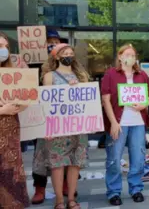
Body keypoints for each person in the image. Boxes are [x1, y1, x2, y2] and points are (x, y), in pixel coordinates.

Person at [37, 43, 89, 209]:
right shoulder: (49, 76)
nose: (69, 55)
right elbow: (45, 103)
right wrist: (46, 127)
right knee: (57, 164)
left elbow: (88, 100)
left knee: (75, 163)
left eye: (71, 53)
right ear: (56, 56)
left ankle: (72, 199)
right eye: (64, 53)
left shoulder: (81, 76)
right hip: (57, 127)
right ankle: (59, 200)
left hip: (77, 126)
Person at [101, 45, 149, 206]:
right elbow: (106, 100)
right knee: (114, 159)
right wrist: (114, 123)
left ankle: (136, 188)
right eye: (127, 54)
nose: (131, 57)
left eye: (133, 54)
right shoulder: (111, 74)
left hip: (138, 123)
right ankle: (114, 192)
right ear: (120, 56)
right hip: (119, 122)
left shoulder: (142, 75)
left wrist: (144, 104)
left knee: (138, 158)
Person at [31, 29, 72, 205]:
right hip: (41, 116)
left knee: (64, 153)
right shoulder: (34, 65)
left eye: (55, 41)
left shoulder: (69, 69)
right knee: (41, 153)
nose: (52, 44)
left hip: (64, 118)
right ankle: (39, 188)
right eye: (49, 41)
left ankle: (64, 186)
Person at [0, 32, 30, 209]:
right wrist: (3, 110)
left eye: (5, 46)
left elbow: (25, 100)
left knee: (10, 174)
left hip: (10, 134)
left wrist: (22, 104)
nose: (3, 50)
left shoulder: (12, 73)